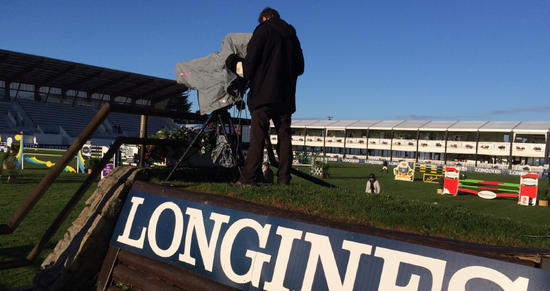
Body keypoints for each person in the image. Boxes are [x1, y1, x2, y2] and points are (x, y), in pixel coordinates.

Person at [227, 7, 304, 186]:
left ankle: (248, 178)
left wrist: (234, 63)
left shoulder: (262, 30)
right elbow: (300, 67)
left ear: (263, 18)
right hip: (285, 96)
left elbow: (250, 66)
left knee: (258, 136)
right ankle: (284, 179)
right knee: (284, 137)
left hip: (263, 94)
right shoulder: (291, 34)